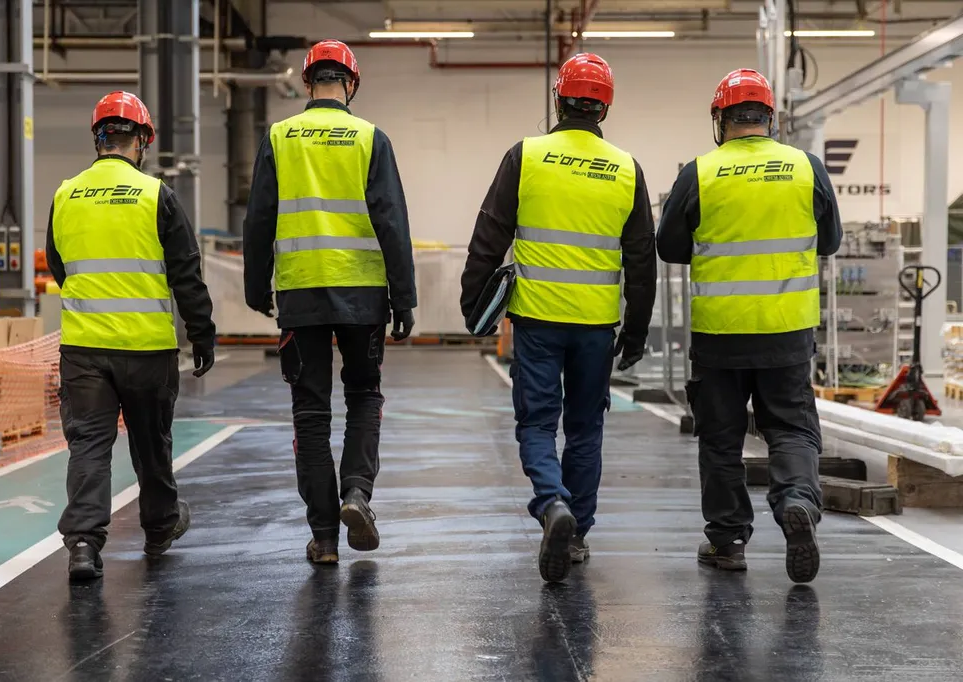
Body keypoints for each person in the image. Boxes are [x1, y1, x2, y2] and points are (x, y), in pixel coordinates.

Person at [461, 53, 657, 583]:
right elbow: (642, 258)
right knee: (587, 427)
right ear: (605, 107)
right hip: (596, 325)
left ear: (558, 98)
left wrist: (471, 300)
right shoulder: (625, 168)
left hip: (537, 321)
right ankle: (577, 537)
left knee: (537, 422)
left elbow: (489, 235)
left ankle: (552, 505)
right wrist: (636, 331)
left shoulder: (524, 156)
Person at [656, 69, 843, 584]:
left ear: (721, 119)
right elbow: (829, 243)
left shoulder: (701, 172)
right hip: (787, 331)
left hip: (721, 335)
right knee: (791, 428)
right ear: (770, 119)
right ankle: (796, 504)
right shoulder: (807, 169)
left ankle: (727, 542)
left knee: (720, 438)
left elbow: (668, 247)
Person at [242, 40, 417, 565]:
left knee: (310, 413)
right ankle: (357, 495)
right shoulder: (370, 138)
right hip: (363, 295)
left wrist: (257, 287)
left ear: (305, 82)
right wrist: (403, 297)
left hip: (301, 294)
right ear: (351, 84)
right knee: (364, 396)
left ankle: (323, 538)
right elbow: (391, 220)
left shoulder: (279, 137)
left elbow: (258, 218)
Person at [46, 91, 217, 581]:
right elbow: (187, 272)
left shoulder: (65, 194)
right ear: (141, 140)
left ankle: (82, 543)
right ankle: (160, 526)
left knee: (90, 445)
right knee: (151, 443)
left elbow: (60, 266)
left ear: (98, 139)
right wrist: (202, 335)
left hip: (84, 349)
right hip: (146, 348)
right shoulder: (154, 194)